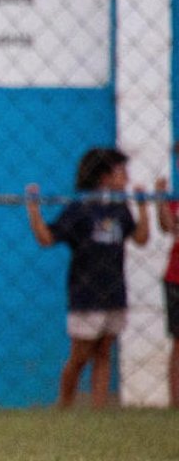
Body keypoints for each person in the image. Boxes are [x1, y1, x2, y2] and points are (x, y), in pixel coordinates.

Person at [25, 147, 149, 408]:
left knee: (104, 351)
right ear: (104, 177)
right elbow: (47, 238)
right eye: (121, 172)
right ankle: (64, 405)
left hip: (114, 290)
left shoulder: (120, 208)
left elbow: (140, 238)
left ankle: (98, 410)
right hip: (85, 293)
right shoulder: (80, 208)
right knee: (80, 355)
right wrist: (34, 210)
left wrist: (143, 208)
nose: (127, 178)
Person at [155, 161, 179, 408]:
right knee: (178, 341)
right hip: (176, 278)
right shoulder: (174, 201)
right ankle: (175, 402)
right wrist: (160, 199)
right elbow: (168, 227)